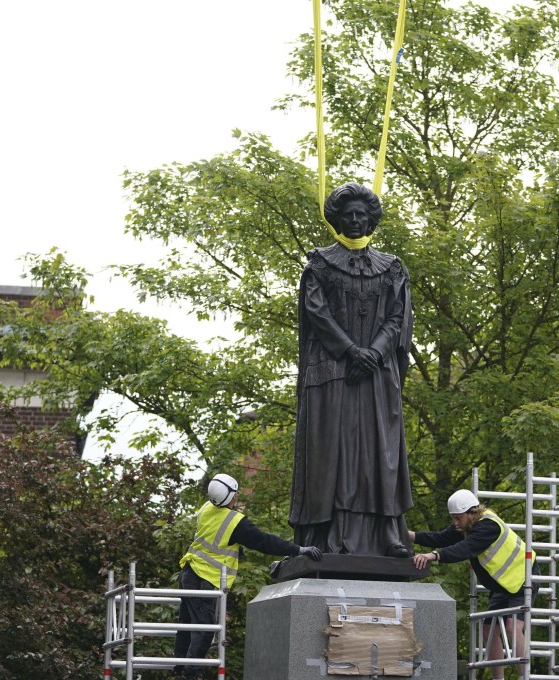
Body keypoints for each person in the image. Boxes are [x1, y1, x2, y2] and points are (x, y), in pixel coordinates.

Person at [288, 182, 414, 557]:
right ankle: (329, 537)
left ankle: (386, 534)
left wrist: (373, 354)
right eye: (349, 215)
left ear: (372, 220)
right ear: (337, 220)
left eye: (362, 214)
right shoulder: (320, 266)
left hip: (376, 376)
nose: (356, 220)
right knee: (334, 455)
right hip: (331, 374)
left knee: (381, 453)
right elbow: (318, 315)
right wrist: (350, 352)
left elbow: (397, 317)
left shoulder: (392, 268)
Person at [173, 473, 322, 679]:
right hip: (205, 578)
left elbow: (213, 537)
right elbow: (264, 541)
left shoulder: (206, 508)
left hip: (188, 572)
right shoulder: (235, 521)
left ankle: (179, 666)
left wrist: (236, 548)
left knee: (187, 623)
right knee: (205, 629)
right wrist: (299, 549)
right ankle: (191, 674)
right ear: (231, 497)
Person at [410, 490, 539, 680]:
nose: (455, 522)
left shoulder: (488, 526)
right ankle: (498, 679)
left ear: (471, 513)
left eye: (458, 518)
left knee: (512, 627)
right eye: (453, 518)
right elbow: (439, 538)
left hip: (523, 579)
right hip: (503, 585)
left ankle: (524, 676)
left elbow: (465, 549)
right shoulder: (468, 525)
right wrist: (407, 535)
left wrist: (434, 556)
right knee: (489, 630)